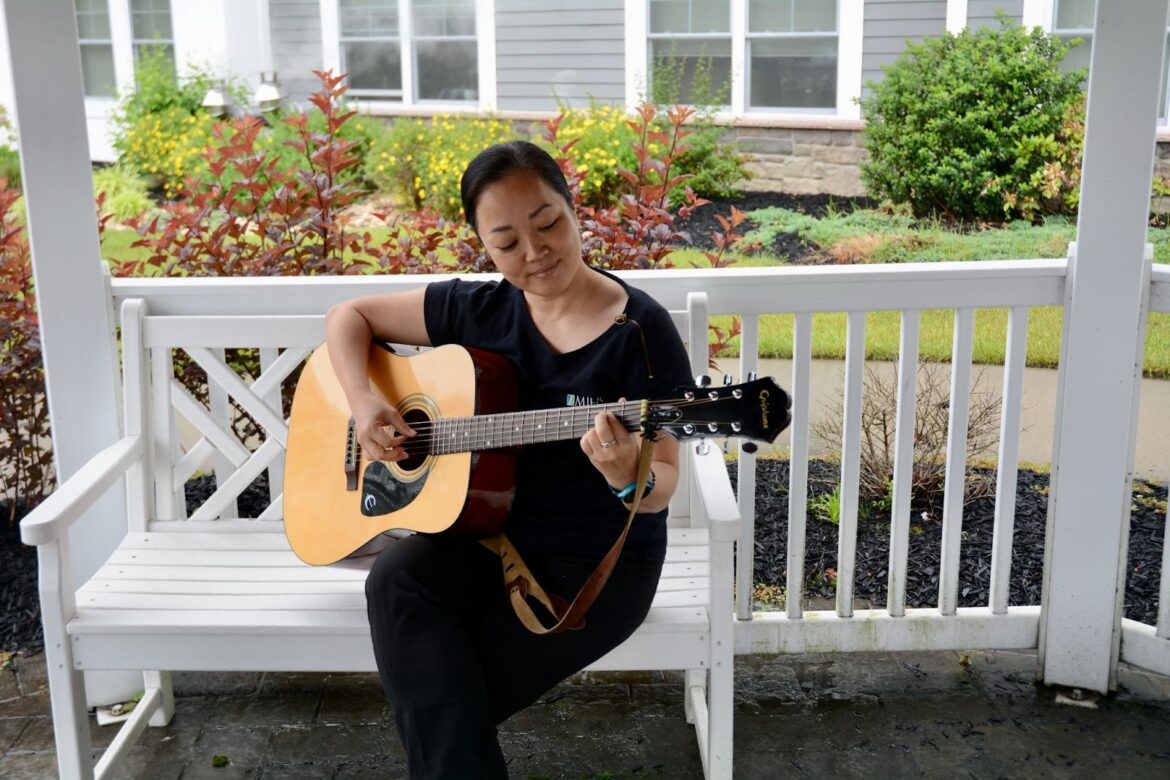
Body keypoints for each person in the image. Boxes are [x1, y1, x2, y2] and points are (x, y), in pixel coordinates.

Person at [323, 140, 694, 778]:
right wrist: (364, 404)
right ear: (484, 247)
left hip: (594, 566)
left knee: (443, 707)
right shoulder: (479, 307)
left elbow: (660, 486)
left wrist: (623, 475)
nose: (535, 253)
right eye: (507, 242)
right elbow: (347, 315)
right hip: (488, 538)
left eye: (548, 224)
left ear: (576, 212)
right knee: (396, 578)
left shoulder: (641, 329)